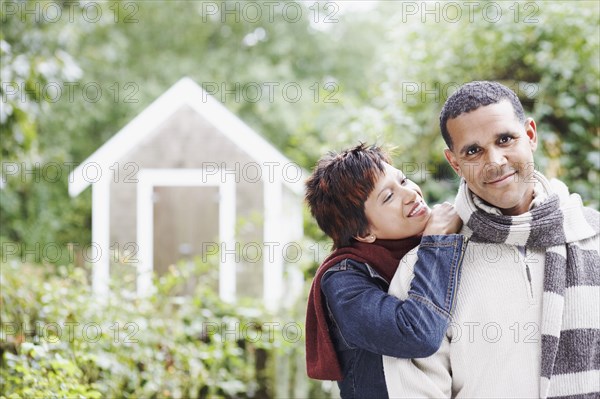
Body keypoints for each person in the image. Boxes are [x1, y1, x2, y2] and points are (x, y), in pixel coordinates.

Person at [383, 81, 600, 398]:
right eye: (473, 150)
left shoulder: (592, 235)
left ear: (530, 135)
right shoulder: (422, 271)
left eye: (505, 139)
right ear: (454, 162)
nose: (495, 161)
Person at [304, 143, 467, 398]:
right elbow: (417, 334)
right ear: (364, 233)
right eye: (389, 197)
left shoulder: (425, 240)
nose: (411, 194)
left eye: (403, 180)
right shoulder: (343, 281)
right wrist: (436, 244)